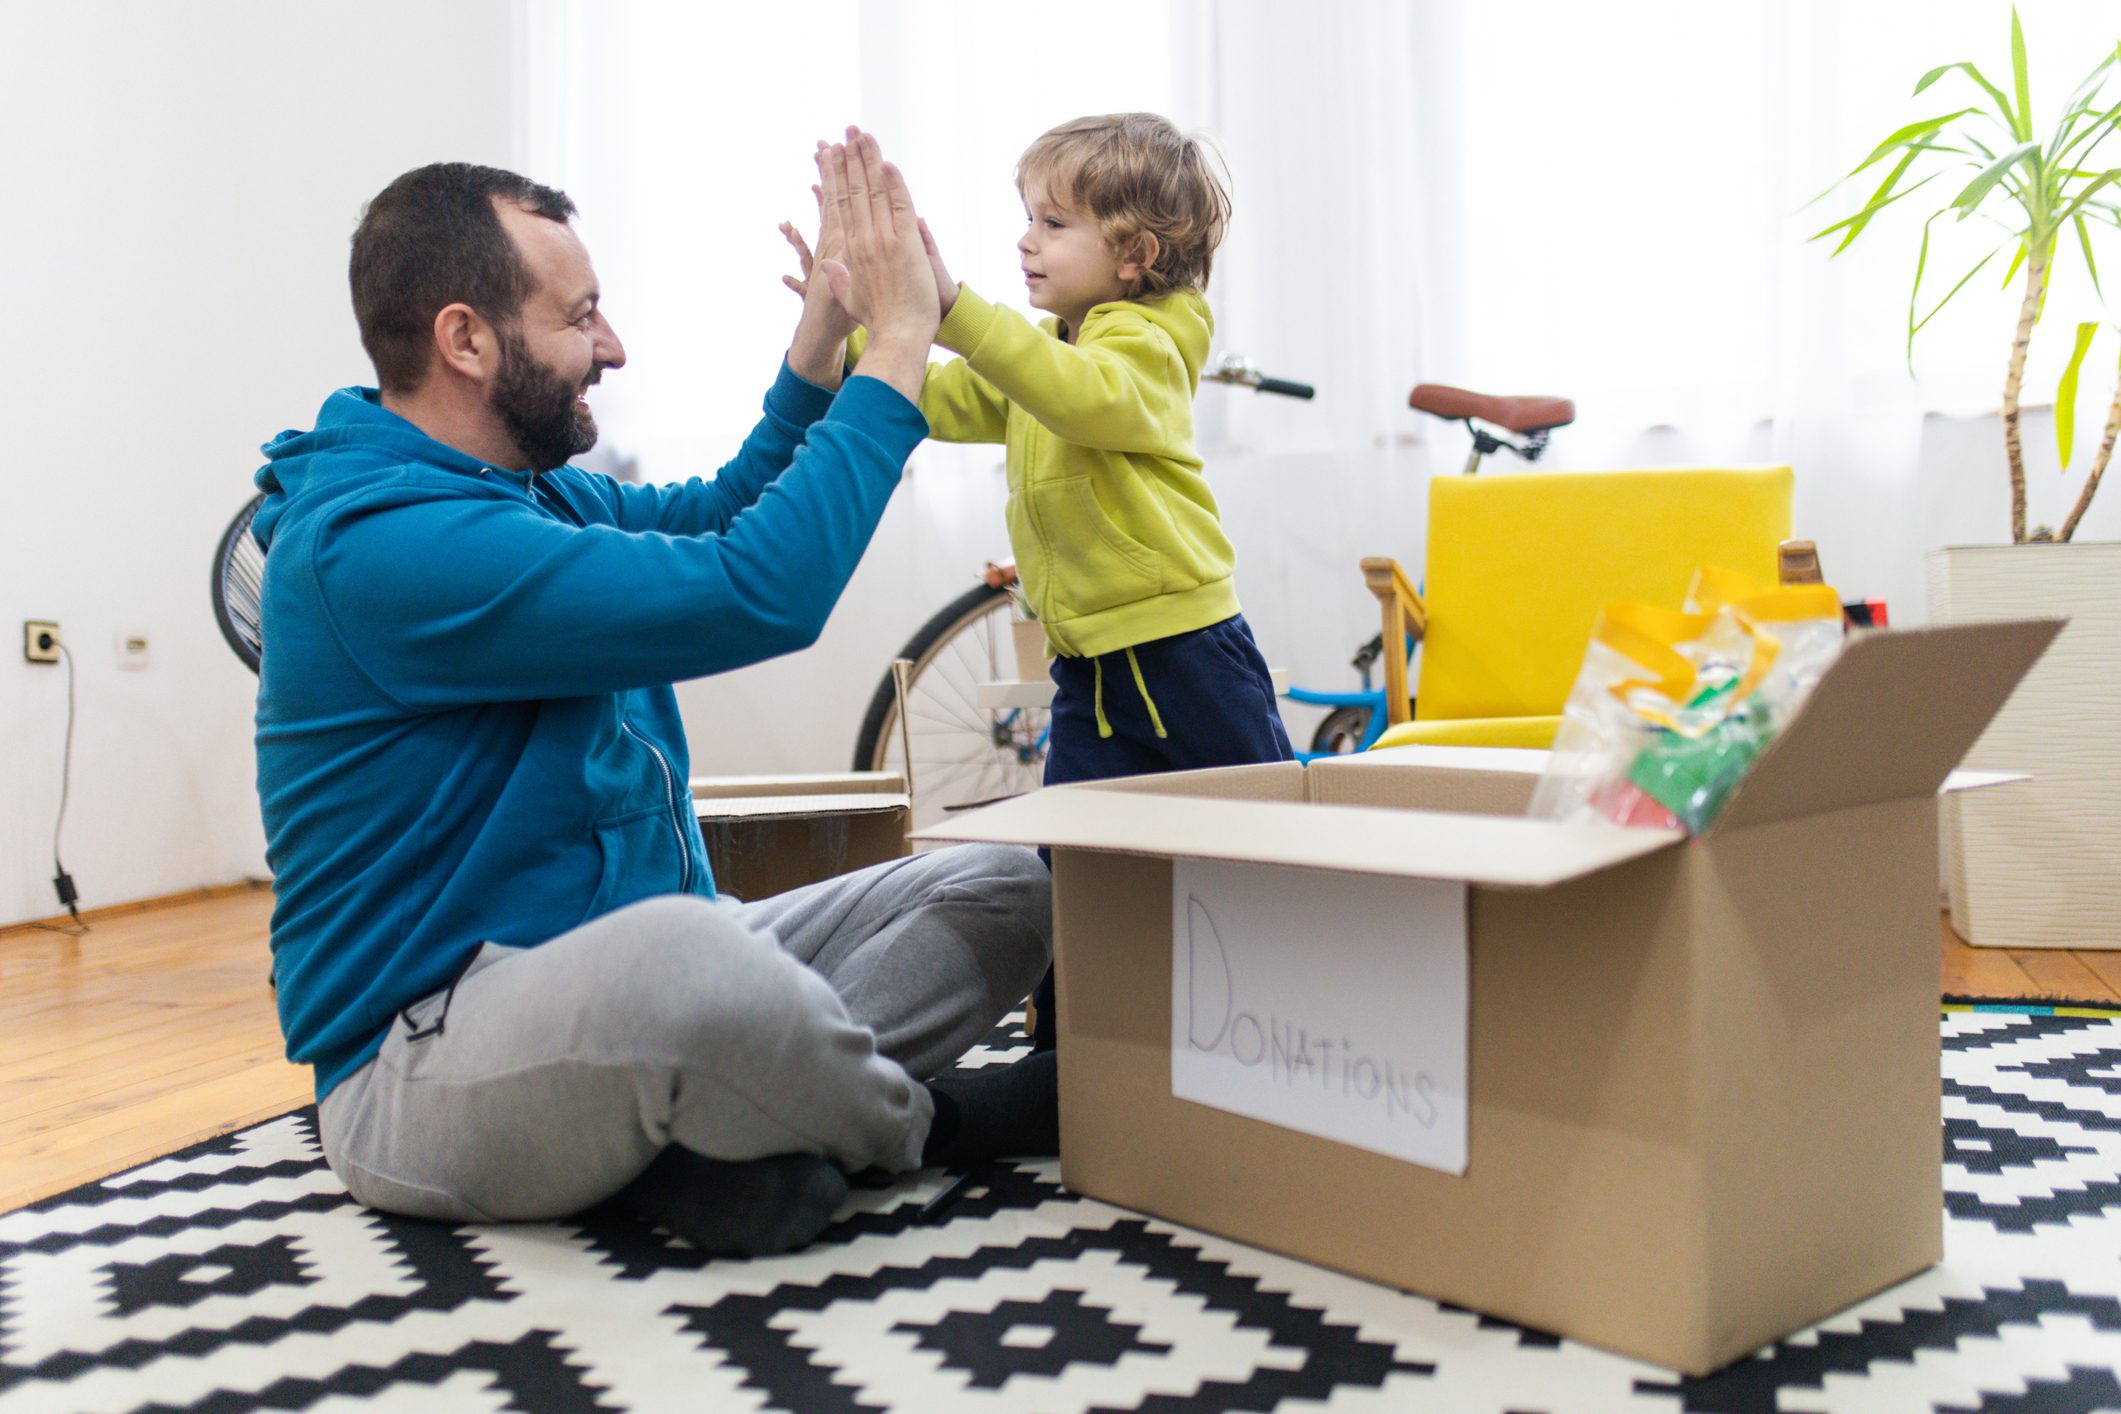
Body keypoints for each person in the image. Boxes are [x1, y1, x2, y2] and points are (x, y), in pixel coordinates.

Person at [250, 131, 1051, 1258]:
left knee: (1007, 888)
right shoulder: (385, 544)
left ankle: (723, 1129)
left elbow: (726, 514)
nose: (611, 345)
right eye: (579, 317)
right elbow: (761, 588)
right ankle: (919, 1125)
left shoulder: (528, 497)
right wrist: (903, 342)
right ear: (465, 339)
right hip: (427, 1055)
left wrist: (822, 343)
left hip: (638, 964)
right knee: (693, 966)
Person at [832, 112, 1293, 1060]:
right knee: (1068, 864)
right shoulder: (1055, 346)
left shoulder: (1155, 336)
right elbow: (948, 401)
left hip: (1182, 656)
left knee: (1256, 849)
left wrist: (952, 309)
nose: (1024, 240)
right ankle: (1070, 1051)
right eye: (1027, 219)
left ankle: (1287, 1018)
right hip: (1090, 669)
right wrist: (857, 336)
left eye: (1051, 223)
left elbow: (1088, 395)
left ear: (1135, 254)